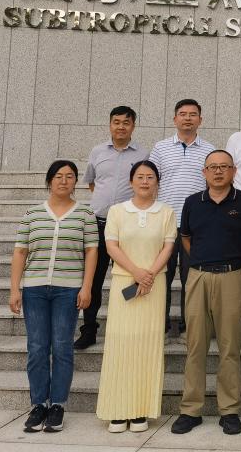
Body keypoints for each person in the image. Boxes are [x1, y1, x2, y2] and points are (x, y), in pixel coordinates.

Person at [171, 149, 241, 436]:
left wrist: (236, 262)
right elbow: (186, 237)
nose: (218, 171)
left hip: (231, 277)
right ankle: (190, 409)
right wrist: (201, 261)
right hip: (198, 277)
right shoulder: (192, 202)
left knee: (229, 346)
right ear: (204, 172)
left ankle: (229, 410)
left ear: (234, 171)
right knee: (195, 345)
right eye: (213, 167)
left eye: (224, 166)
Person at [10, 160, 98, 433]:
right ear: (49, 181)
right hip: (35, 289)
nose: (64, 181)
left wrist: (86, 287)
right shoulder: (32, 214)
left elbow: (91, 252)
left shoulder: (85, 214)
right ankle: (38, 404)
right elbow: (20, 252)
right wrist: (14, 288)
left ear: (75, 182)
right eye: (58, 176)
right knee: (37, 347)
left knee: (61, 347)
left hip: (68, 289)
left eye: (70, 176)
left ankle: (57, 404)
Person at [95, 160, 178, 433]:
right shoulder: (117, 211)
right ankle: (117, 410)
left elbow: (168, 247)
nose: (145, 181)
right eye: (140, 177)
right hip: (125, 282)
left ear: (157, 182)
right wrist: (136, 272)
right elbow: (111, 246)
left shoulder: (166, 212)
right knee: (121, 343)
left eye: (150, 177)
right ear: (131, 181)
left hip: (154, 285)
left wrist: (149, 274)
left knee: (148, 344)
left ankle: (141, 410)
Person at [75, 106, 144, 350]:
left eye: (126, 122)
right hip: (98, 223)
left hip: (128, 226)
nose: (121, 126)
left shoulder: (143, 154)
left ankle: (125, 326)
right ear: (110, 124)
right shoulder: (97, 151)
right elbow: (92, 183)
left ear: (133, 126)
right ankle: (89, 329)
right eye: (116, 122)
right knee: (93, 279)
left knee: (127, 277)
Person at [148, 99, 215, 342]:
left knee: (192, 278)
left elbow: (214, 185)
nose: (188, 118)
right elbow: (150, 182)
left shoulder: (210, 150)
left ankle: (189, 328)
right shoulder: (160, 148)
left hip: (196, 226)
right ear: (174, 119)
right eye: (183, 114)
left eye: (193, 114)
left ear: (200, 120)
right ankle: (162, 327)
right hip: (164, 222)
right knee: (162, 277)